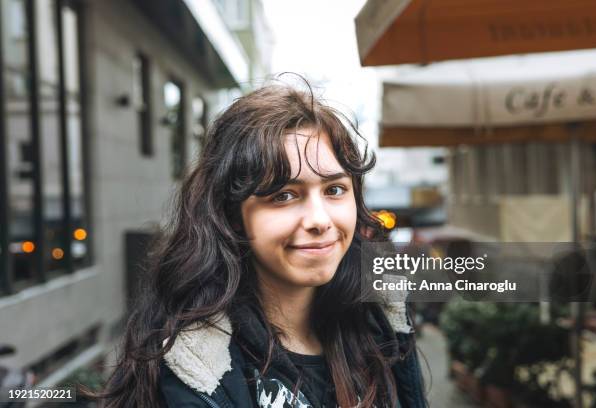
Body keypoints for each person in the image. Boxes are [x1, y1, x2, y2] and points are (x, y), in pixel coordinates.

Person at [95, 81, 427, 407]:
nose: (319, 219)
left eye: (334, 190)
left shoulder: (382, 319)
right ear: (233, 215)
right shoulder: (198, 370)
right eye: (283, 195)